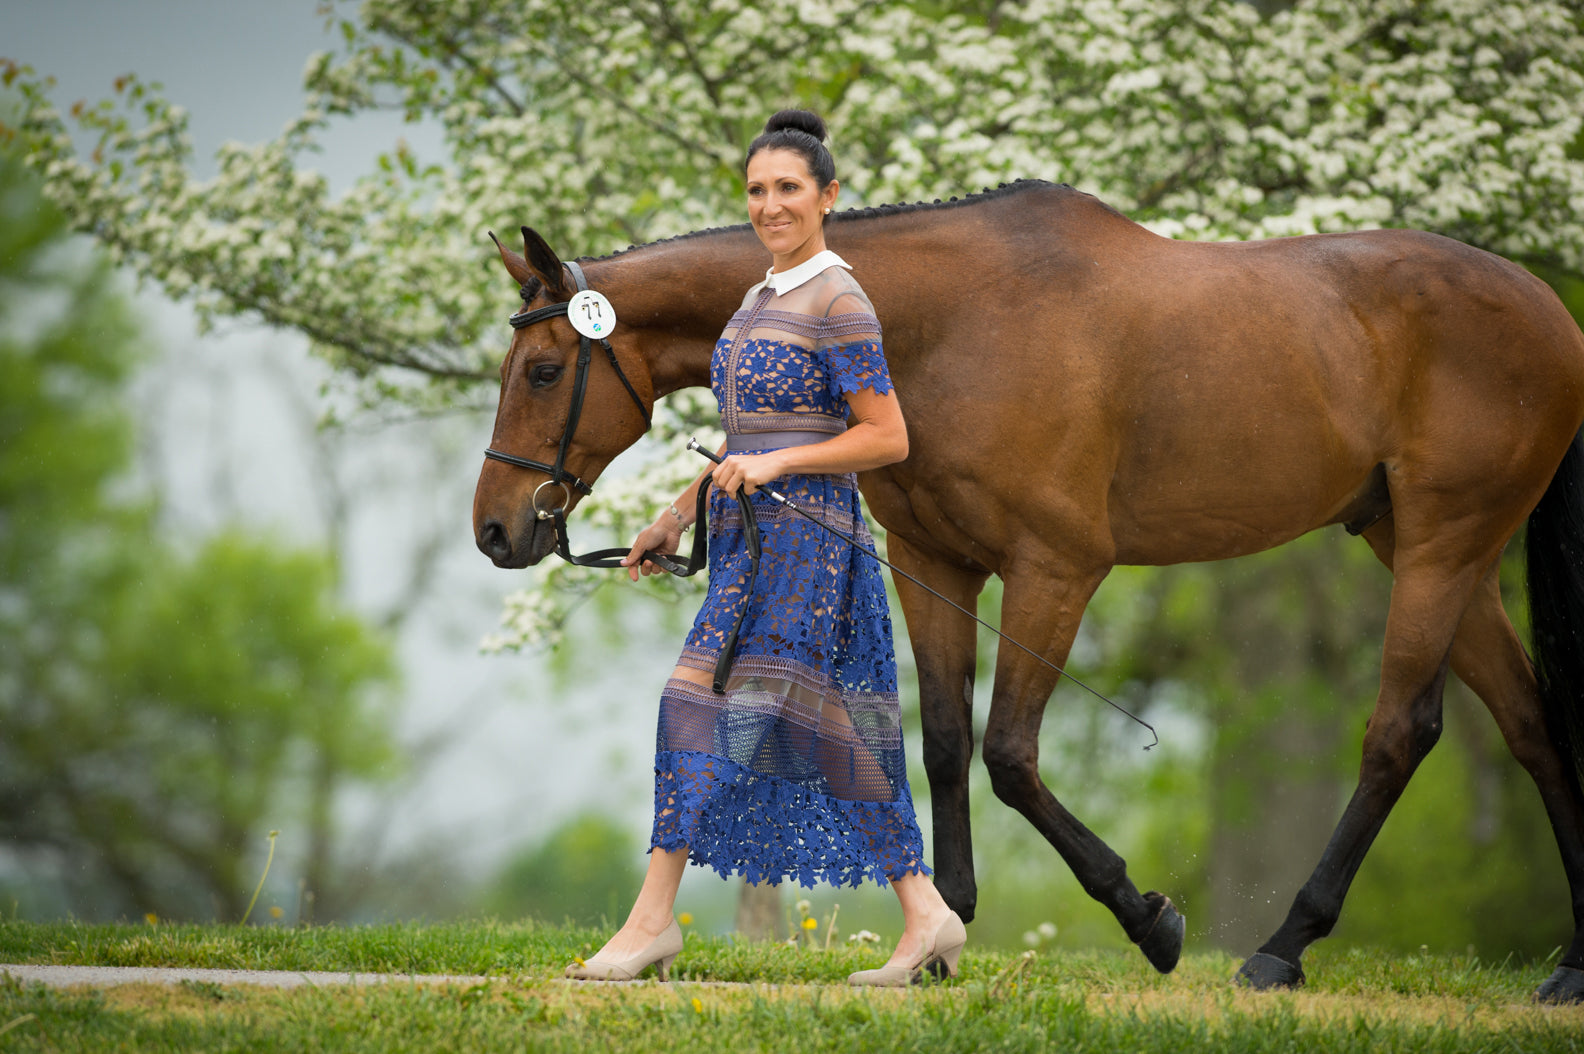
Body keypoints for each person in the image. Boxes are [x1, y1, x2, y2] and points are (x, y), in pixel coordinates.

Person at [567, 109, 964, 988]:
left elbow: (886, 437)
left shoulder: (841, 301)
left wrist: (782, 459)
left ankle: (649, 923)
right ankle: (926, 912)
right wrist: (676, 512)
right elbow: (744, 434)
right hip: (749, 549)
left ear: (828, 196)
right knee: (822, 728)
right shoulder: (758, 300)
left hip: (815, 551)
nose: (770, 205)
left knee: (699, 709)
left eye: (788, 188)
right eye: (756, 190)